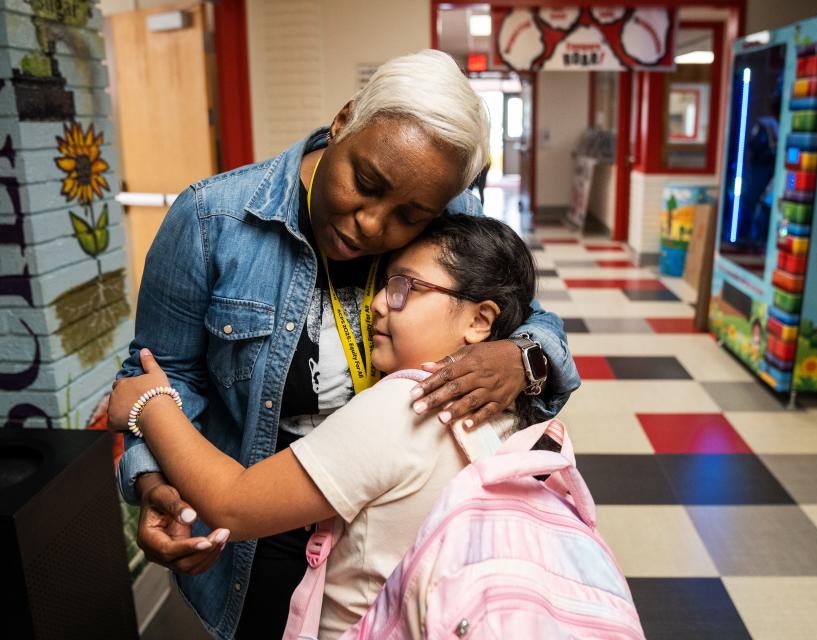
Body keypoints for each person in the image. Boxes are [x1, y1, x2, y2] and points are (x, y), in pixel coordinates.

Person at [113, 50, 581, 640]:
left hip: (392, 520)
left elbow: (529, 321)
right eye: (365, 184)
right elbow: (163, 372)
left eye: (410, 216)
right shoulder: (213, 219)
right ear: (344, 121)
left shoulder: (448, 212)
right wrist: (153, 484)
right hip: (266, 517)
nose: (373, 225)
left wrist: (521, 356)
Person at [110, 215, 538, 638]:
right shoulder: (517, 403)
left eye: (406, 286)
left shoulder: (405, 406)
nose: (377, 303)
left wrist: (151, 405)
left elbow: (232, 504)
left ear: (480, 320)